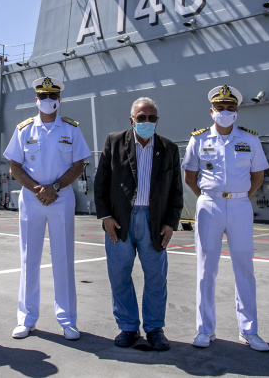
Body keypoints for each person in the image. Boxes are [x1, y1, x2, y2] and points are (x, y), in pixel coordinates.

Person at [182, 85, 269, 352]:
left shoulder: (250, 140)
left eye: (230, 108)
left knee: (244, 267)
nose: (224, 112)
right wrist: (209, 197)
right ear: (211, 111)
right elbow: (190, 176)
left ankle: (249, 330)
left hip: (240, 204)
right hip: (209, 204)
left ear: (236, 112)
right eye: (219, 108)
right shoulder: (199, 139)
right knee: (205, 269)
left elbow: (258, 176)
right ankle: (205, 330)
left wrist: (240, 196)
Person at [3, 77, 91, 340]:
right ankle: (26, 319)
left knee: (63, 258)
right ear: (36, 100)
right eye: (43, 96)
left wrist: (54, 187)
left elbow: (79, 164)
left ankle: (67, 320)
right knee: (29, 258)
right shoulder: (24, 130)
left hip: (61, 198)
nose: (48, 101)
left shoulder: (71, 130)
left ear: (59, 100)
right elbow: (14, 166)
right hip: (32, 199)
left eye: (52, 96)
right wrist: (38, 189)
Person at [94, 97, 183, 351]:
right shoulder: (114, 142)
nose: (146, 121)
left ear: (157, 120)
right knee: (119, 275)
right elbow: (101, 183)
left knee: (156, 277)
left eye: (151, 118)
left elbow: (176, 191)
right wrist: (105, 217)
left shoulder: (169, 148)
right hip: (119, 221)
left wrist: (170, 223)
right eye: (141, 117)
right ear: (131, 120)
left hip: (154, 222)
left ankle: (155, 329)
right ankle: (128, 327)